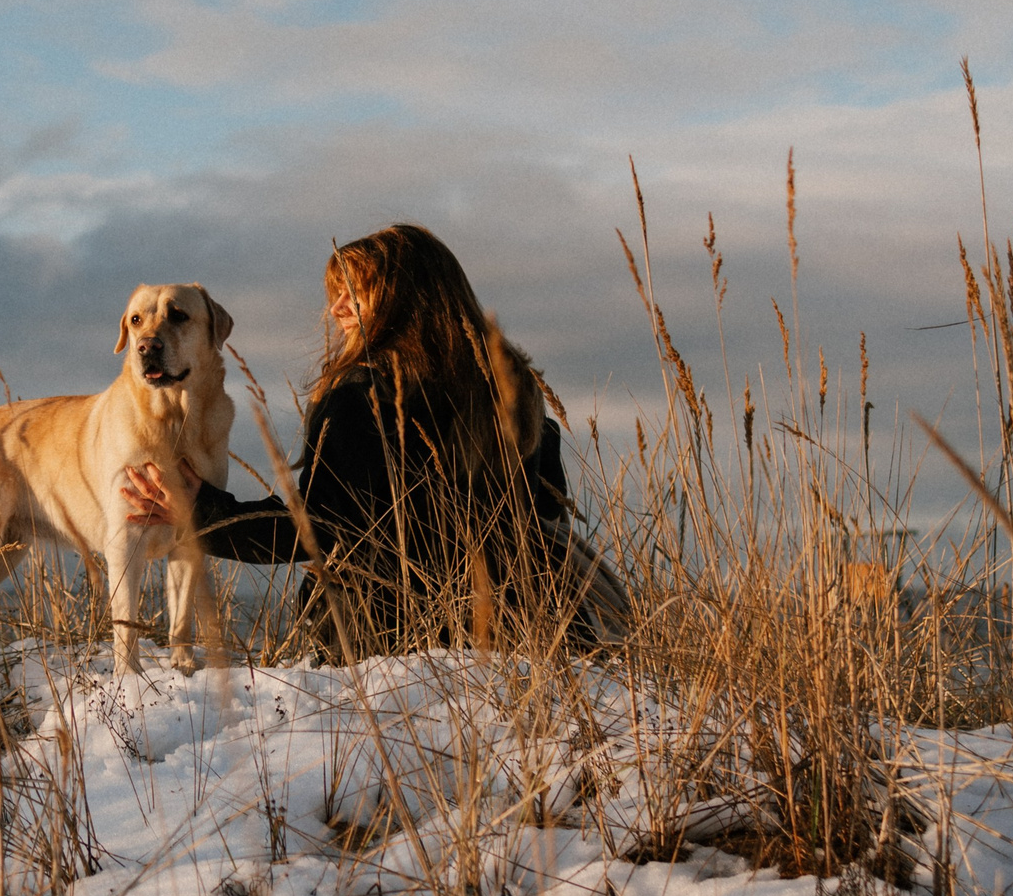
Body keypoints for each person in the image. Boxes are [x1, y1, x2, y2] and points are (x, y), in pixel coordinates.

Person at [118, 223, 629, 659]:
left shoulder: (361, 394)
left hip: (383, 638)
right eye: (334, 292)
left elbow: (316, 527)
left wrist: (201, 509)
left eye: (356, 291)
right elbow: (548, 515)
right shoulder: (514, 387)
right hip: (520, 629)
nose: (337, 307)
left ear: (408, 298)